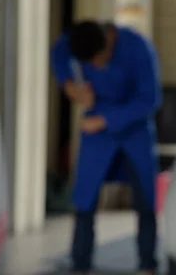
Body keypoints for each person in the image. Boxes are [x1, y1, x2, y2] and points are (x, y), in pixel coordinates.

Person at [50, 20, 162, 275]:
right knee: (84, 198)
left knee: (145, 198)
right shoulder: (77, 41)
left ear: (109, 43)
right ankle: (80, 264)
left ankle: (148, 264)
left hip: (134, 128)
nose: (97, 67)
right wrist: (70, 87)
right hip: (96, 129)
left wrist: (104, 121)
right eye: (90, 65)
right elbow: (58, 53)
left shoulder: (138, 47)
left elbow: (151, 99)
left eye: (99, 61)